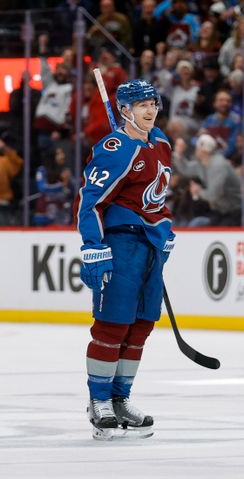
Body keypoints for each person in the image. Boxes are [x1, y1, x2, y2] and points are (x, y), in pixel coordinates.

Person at [74, 79, 175, 441]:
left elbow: (157, 198)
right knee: (112, 325)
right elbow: (90, 201)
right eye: (141, 105)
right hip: (121, 246)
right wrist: (93, 246)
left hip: (150, 247)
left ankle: (120, 398)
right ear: (125, 110)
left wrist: (165, 231)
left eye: (153, 103)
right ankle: (99, 400)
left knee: (141, 325)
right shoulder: (115, 148)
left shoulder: (160, 143)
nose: (150, 110)